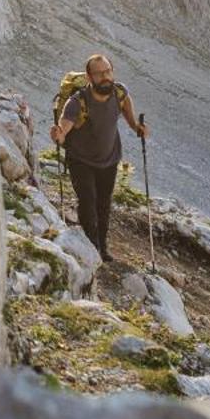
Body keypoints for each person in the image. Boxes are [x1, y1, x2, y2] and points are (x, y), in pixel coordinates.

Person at [50, 53, 148, 266]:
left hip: (109, 159)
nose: (105, 77)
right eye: (100, 74)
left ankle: (102, 247)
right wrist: (59, 134)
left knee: (103, 205)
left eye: (108, 72)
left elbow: (131, 120)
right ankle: (92, 248)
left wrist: (139, 129)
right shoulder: (78, 102)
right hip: (80, 160)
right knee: (88, 202)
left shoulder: (120, 94)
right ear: (89, 76)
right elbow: (64, 126)